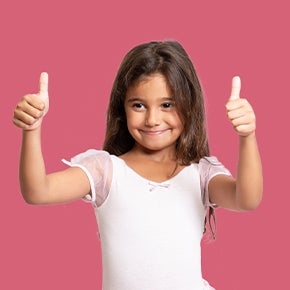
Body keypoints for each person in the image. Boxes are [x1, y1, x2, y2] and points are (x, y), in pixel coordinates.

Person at [13, 40, 263, 290]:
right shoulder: (106, 171)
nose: (153, 120)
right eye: (139, 105)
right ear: (123, 108)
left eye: (167, 105)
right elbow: (38, 192)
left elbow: (246, 199)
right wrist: (32, 129)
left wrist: (247, 136)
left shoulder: (201, 174)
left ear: (189, 106)